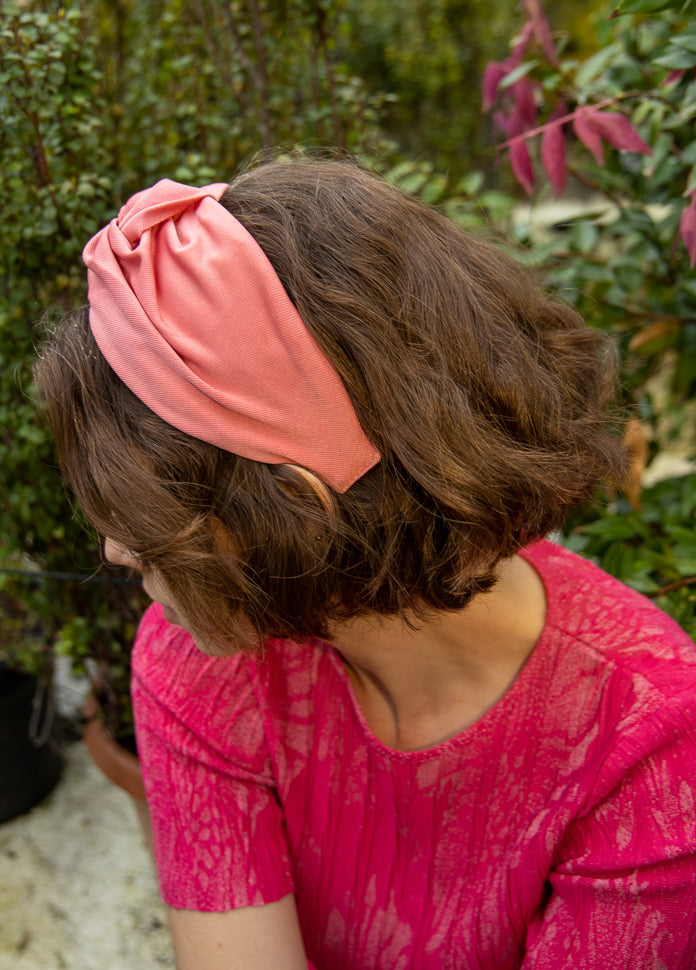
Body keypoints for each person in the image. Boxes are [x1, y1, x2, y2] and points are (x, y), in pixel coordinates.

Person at [35, 158, 696, 970]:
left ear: (294, 511)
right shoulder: (207, 657)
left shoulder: (650, 751)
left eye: (144, 516)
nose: (115, 548)